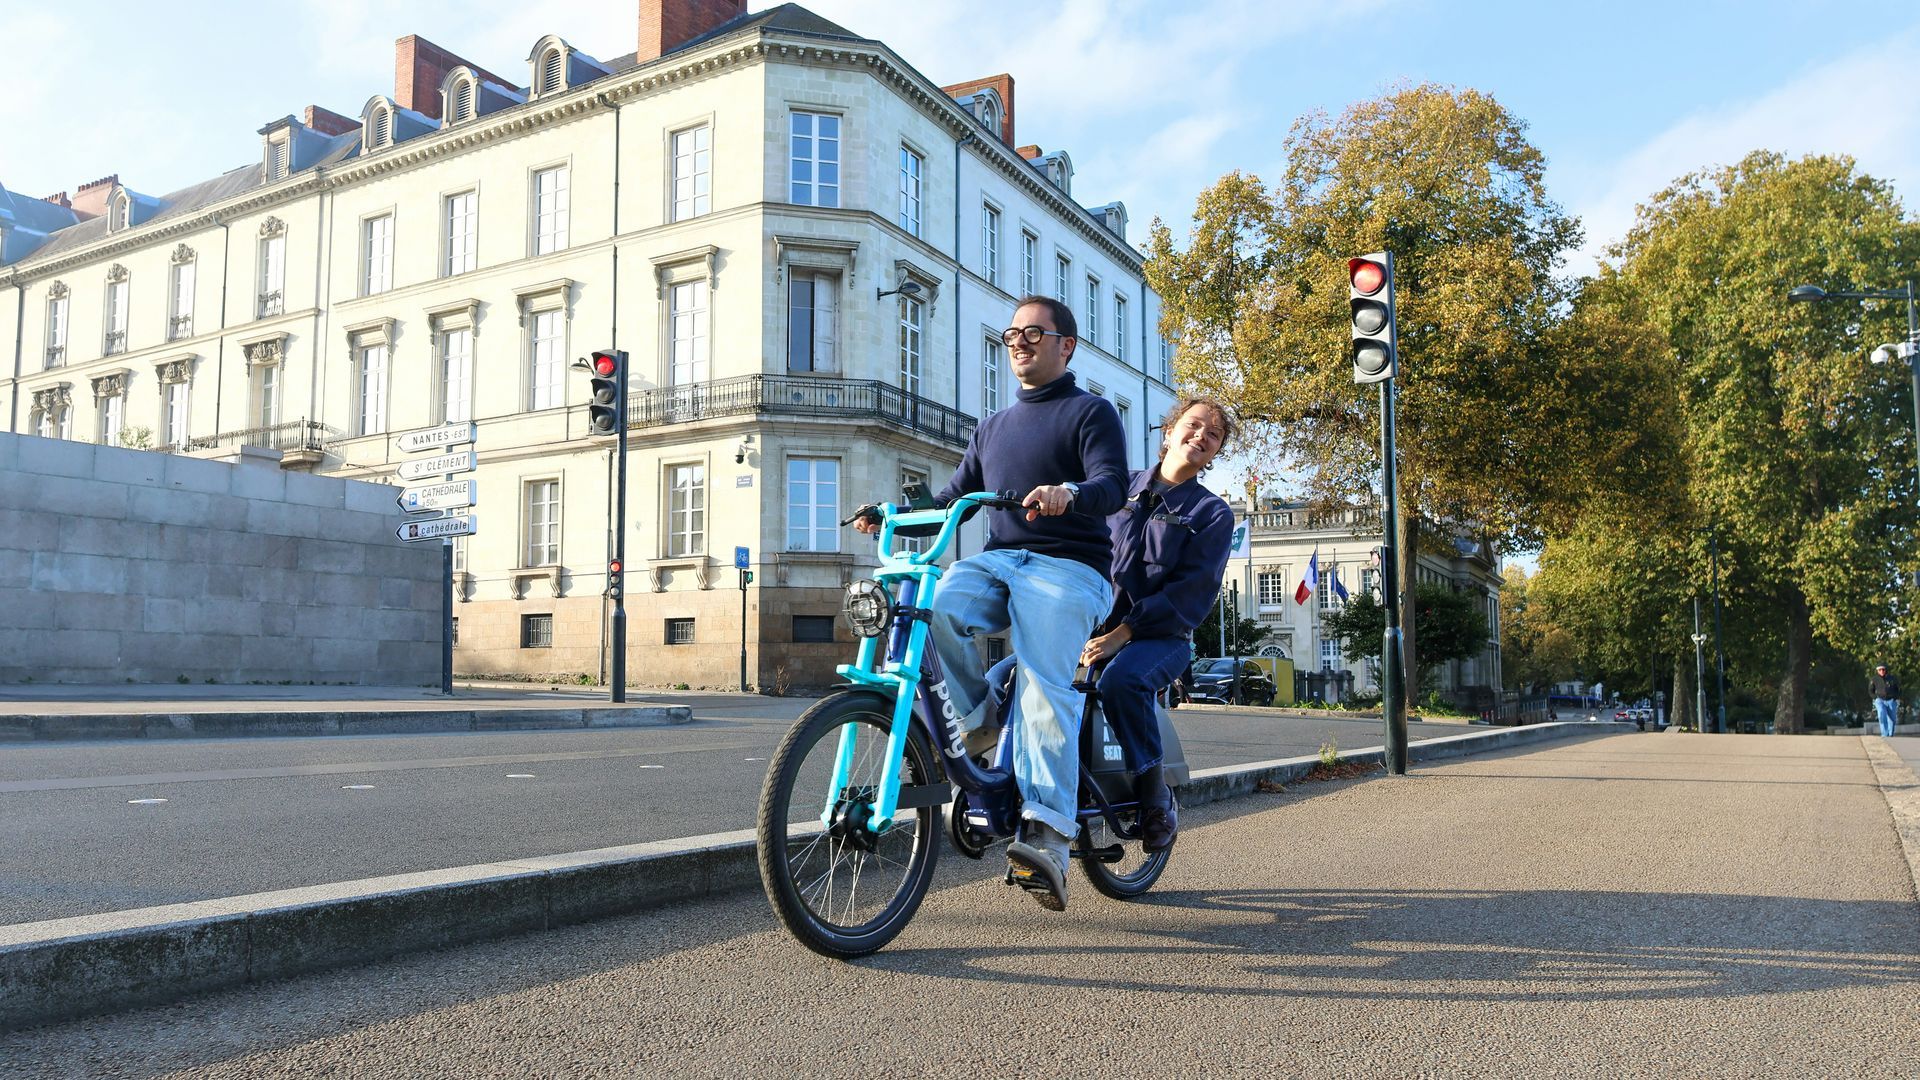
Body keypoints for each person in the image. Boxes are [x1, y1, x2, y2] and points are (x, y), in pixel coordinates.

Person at [855, 296, 1127, 911]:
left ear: (1066, 346)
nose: (1019, 342)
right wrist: (891, 513)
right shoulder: (992, 427)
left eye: (1034, 332)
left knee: (1042, 685)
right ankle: (976, 725)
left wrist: (1070, 492)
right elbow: (950, 500)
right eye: (1012, 334)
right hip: (1000, 562)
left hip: (1070, 567)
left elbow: (1111, 485)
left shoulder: (1091, 412)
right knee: (936, 609)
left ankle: (1048, 836)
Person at [1079, 397, 1236, 852]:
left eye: (1213, 435)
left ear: (1216, 452)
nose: (1201, 436)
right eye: (1194, 425)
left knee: (1122, 682)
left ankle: (1154, 797)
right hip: (1089, 627)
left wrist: (1123, 633)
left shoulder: (1212, 514)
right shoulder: (1117, 488)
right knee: (1010, 675)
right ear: (1169, 431)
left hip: (1160, 637)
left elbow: (1191, 594)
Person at [1871, 663, 1901, 737]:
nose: (1882, 671)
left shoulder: (1892, 678)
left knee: (1892, 719)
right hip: (1880, 700)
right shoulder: (1874, 679)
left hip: (1891, 700)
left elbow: (1899, 689)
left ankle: (1890, 734)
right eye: (1880, 670)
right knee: (1881, 714)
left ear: (1886, 670)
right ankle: (1884, 734)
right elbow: (1871, 690)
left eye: (1883, 669)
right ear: (1877, 671)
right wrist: (1875, 698)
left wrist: (1895, 698)